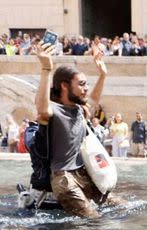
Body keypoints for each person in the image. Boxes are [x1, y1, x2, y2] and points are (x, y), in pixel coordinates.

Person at [35, 41, 113, 218]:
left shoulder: (80, 109)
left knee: (123, 206)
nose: (86, 89)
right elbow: (41, 109)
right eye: (82, 84)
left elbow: (93, 100)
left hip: (84, 175)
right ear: (64, 86)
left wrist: (103, 75)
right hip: (64, 180)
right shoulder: (53, 111)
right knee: (96, 220)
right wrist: (46, 69)